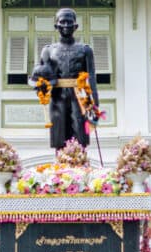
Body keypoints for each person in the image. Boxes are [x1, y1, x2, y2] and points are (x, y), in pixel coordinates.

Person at [29, 8, 99, 149]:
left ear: (76, 26)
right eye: (62, 22)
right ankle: (60, 168)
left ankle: (80, 167)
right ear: (56, 26)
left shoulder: (85, 50)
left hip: (79, 96)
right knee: (59, 136)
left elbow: (92, 77)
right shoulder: (48, 50)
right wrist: (41, 87)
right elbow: (37, 75)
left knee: (80, 135)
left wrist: (95, 105)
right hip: (57, 97)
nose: (66, 25)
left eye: (69, 22)